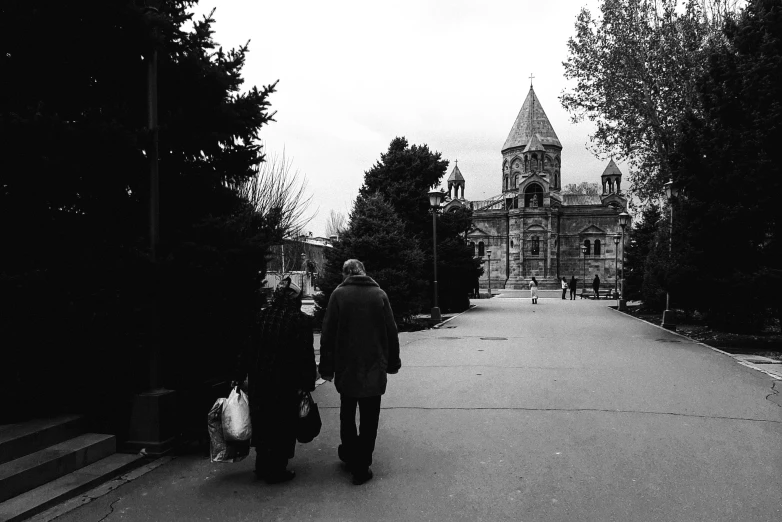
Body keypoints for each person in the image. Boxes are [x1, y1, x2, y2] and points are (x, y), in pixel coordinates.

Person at [319, 259, 401, 485]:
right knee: (370, 417)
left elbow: (327, 333)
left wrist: (326, 368)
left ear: (345, 274)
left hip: (347, 367)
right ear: (364, 272)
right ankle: (362, 465)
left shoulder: (338, 295)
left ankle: (348, 453)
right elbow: (391, 332)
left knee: (347, 413)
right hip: (374, 367)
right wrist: (392, 363)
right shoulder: (379, 295)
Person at [233, 277, 316, 484]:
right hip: (286, 383)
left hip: (260, 380)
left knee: (262, 422)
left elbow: (247, 350)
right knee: (283, 425)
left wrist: (239, 376)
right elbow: (305, 355)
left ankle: (262, 465)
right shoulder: (300, 321)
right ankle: (278, 468)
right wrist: (307, 384)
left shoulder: (260, 317)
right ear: (295, 299)